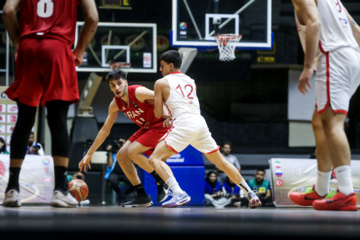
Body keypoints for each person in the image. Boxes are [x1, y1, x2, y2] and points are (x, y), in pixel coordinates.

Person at [2, 0, 98, 208]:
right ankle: (60, 190)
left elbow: (8, 11)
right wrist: (79, 50)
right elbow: (92, 17)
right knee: (57, 119)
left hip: (28, 48)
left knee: (24, 119)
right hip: (57, 48)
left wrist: (19, 42)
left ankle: (11, 189)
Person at [149, 50, 261, 208]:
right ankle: (250, 192)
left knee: (154, 159)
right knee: (222, 162)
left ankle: (179, 193)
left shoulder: (161, 83)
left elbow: (158, 113)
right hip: (200, 122)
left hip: (184, 123)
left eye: (162, 65)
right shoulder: (190, 80)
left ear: (171, 65)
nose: (160, 69)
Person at [289, 0, 360, 211]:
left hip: (333, 57)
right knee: (319, 122)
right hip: (352, 58)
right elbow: (355, 28)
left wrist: (307, 67)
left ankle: (346, 193)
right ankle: (320, 189)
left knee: (332, 124)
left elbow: (314, 24)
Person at [78, 70, 170, 208]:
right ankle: (142, 196)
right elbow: (104, 130)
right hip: (147, 127)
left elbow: (163, 95)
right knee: (121, 155)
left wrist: (168, 112)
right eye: (112, 85)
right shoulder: (115, 104)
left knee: (132, 151)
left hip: (161, 125)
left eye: (119, 83)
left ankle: (160, 181)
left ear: (125, 83)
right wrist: (89, 154)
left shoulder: (138, 92)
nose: (116, 88)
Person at [104, 137, 134, 204]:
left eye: (122, 142)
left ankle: (122, 196)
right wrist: (109, 152)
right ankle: (122, 196)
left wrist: (124, 147)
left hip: (125, 173)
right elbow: (110, 165)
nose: (120, 143)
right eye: (119, 142)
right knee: (112, 180)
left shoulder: (128, 151)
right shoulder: (114, 152)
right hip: (115, 173)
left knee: (134, 183)